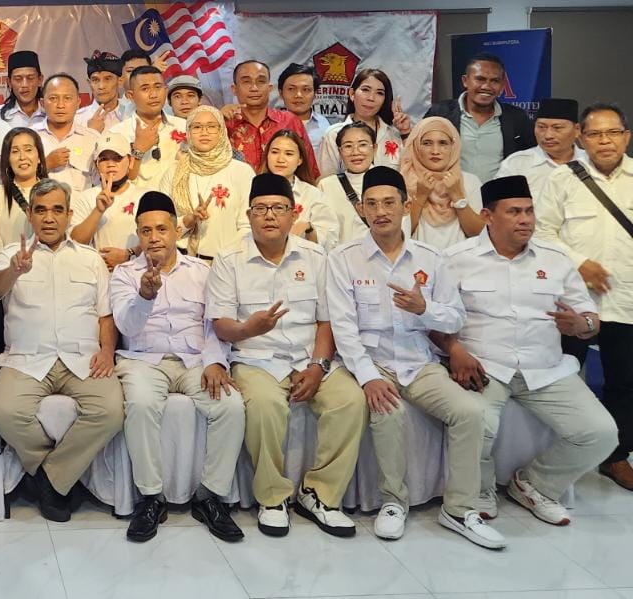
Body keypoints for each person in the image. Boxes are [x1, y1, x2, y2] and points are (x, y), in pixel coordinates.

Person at [326, 167, 505, 549]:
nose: (380, 212)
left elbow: (455, 318)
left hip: (418, 361)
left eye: (389, 203)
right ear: (361, 209)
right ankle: (393, 502)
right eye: (372, 204)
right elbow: (343, 328)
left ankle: (459, 509)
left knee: (470, 412)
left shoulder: (431, 258)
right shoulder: (344, 258)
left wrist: (425, 309)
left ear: (406, 206)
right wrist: (368, 377)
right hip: (372, 360)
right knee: (387, 410)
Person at [432, 175, 616, 526]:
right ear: (487, 216)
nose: (525, 220)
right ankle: (480, 487)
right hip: (484, 366)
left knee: (601, 432)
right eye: (514, 211)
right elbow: (435, 320)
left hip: (544, 368)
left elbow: (590, 318)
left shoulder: (556, 258)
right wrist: (453, 348)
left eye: (529, 211)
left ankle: (535, 484)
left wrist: (582, 325)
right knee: (476, 422)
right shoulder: (456, 259)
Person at [208, 173, 366, 539]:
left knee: (350, 400)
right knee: (265, 406)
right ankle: (272, 498)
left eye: (278, 208)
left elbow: (326, 321)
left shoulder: (315, 257)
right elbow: (220, 325)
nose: (269, 215)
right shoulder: (229, 259)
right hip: (255, 359)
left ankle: (320, 495)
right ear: (248, 215)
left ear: (294, 214)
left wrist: (318, 366)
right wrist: (248, 329)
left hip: (309, 357)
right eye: (261, 208)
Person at [110, 191, 245, 544]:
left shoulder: (202, 271)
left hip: (194, 361)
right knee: (141, 404)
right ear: (138, 235)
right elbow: (126, 326)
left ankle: (210, 496)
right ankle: (151, 498)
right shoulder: (125, 274)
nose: (154, 237)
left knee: (231, 406)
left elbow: (215, 323)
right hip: (144, 360)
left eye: (161, 229)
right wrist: (145, 296)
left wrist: (215, 361)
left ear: (175, 231)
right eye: (146, 231)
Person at [0, 179, 123, 522]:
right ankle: (59, 477)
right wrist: (14, 270)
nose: (49, 218)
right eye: (41, 210)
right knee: (5, 412)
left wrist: (107, 351)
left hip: (83, 357)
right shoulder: (11, 254)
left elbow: (105, 315)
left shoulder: (90, 259)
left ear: (69, 215)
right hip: (27, 358)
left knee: (110, 411)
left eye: (57, 210)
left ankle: (49, 478)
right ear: (30, 215)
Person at [537, 102, 633, 489]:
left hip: (626, 302)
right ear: (581, 137)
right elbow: (541, 232)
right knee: (564, 377)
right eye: (595, 133)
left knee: (624, 382)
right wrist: (579, 263)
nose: (604, 141)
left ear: (626, 136)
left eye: (613, 133)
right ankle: (563, 452)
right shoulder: (562, 180)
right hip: (574, 302)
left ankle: (617, 456)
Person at [424, 52, 535, 184]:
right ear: (465, 81)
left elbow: (531, 157)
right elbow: (419, 151)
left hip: (498, 195)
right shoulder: (440, 113)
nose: (486, 86)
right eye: (480, 79)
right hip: (450, 193)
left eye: (495, 81)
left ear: (502, 85)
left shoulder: (516, 117)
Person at [161, 105, 253, 263]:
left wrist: (226, 260)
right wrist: (188, 220)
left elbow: (248, 226)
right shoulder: (174, 171)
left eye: (211, 126)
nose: (204, 132)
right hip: (181, 263)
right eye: (197, 127)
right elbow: (161, 223)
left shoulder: (241, 172)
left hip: (226, 263)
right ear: (188, 132)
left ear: (221, 131)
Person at [399, 117, 485, 249]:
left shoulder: (470, 181)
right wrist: (420, 196)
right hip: (416, 259)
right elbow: (397, 235)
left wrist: (458, 196)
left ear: (453, 146)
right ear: (416, 146)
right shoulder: (404, 180)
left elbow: (480, 234)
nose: (435, 151)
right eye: (427, 143)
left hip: (461, 259)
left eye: (443, 143)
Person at [225, 60, 320, 179]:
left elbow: (309, 171)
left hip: (283, 190)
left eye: (261, 81)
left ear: (269, 88)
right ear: (234, 89)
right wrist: (218, 120)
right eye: (246, 82)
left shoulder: (289, 121)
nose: (254, 88)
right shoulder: (224, 124)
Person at [70, 131, 146, 270]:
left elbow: (160, 240)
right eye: (104, 159)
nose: (110, 164)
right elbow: (74, 243)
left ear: (130, 161)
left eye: (117, 158)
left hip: (137, 274)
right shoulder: (85, 198)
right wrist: (98, 210)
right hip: (97, 275)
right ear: (96, 164)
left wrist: (129, 254)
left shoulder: (145, 197)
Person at [317, 68, 411, 175]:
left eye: (379, 93)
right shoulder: (334, 134)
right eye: (365, 90)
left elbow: (410, 173)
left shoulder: (394, 134)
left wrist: (405, 133)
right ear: (352, 94)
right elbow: (326, 179)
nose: (371, 98)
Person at [497, 98, 587, 200]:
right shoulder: (516, 164)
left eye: (557, 128)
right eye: (541, 127)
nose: (548, 135)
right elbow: (499, 204)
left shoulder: (591, 161)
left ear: (577, 130)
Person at [262, 129, 339, 248]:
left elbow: (330, 238)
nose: (280, 159)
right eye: (275, 152)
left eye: (289, 154)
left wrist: (309, 228)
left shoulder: (312, 194)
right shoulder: (251, 190)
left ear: (300, 160)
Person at [117, 66, 187, 189]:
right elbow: (115, 181)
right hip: (139, 200)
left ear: (166, 90)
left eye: (158, 87)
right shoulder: (119, 134)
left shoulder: (185, 127)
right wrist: (138, 150)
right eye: (145, 89)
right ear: (131, 96)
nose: (153, 95)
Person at [0, 127, 47, 256]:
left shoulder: (54, 193)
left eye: (28, 150)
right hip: (7, 265)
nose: (22, 157)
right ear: (7, 159)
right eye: (15, 151)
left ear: (39, 157)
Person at [318, 121, 376, 247]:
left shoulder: (390, 181)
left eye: (362, 145)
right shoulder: (327, 186)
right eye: (348, 146)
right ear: (340, 151)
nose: (355, 152)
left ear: (374, 148)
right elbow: (324, 233)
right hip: (341, 256)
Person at [39, 74, 98, 194]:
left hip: (80, 205)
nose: (60, 105)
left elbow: (100, 183)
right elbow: (16, 180)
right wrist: (45, 166)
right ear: (42, 103)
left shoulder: (93, 139)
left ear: (78, 102)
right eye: (53, 98)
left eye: (67, 98)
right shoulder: (29, 137)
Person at [277, 63, 331, 156]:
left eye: (305, 90)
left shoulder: (325, 126)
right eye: (291, 89)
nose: (298, 95)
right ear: (281, 93)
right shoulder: (271, 125)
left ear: (315, 94)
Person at [0, 50, 47, 130]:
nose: (25, 85)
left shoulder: (51, 114)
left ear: (40, 80)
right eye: (18, 79)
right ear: (9, 82)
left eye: (30, 78)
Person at [83, 51, 131, 132]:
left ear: (120, 81)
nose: (101, 86)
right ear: (89, 83)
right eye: (95, 80)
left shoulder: (134, 115)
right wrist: (91, 133)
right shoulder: (76, 119)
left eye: (108, 79)